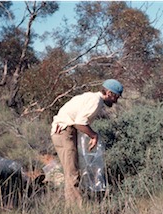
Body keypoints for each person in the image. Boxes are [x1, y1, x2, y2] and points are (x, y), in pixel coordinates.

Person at [51, 79, 123, 207]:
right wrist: (93, 135)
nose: (116, 101)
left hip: (65, 131)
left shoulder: (91, 97)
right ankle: (77, 210)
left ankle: (74, 208)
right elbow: (80, 122)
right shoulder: (95, 101)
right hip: (64, 132)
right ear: (108, 93)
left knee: (72, 171)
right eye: (116, 96)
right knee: (72, 174)